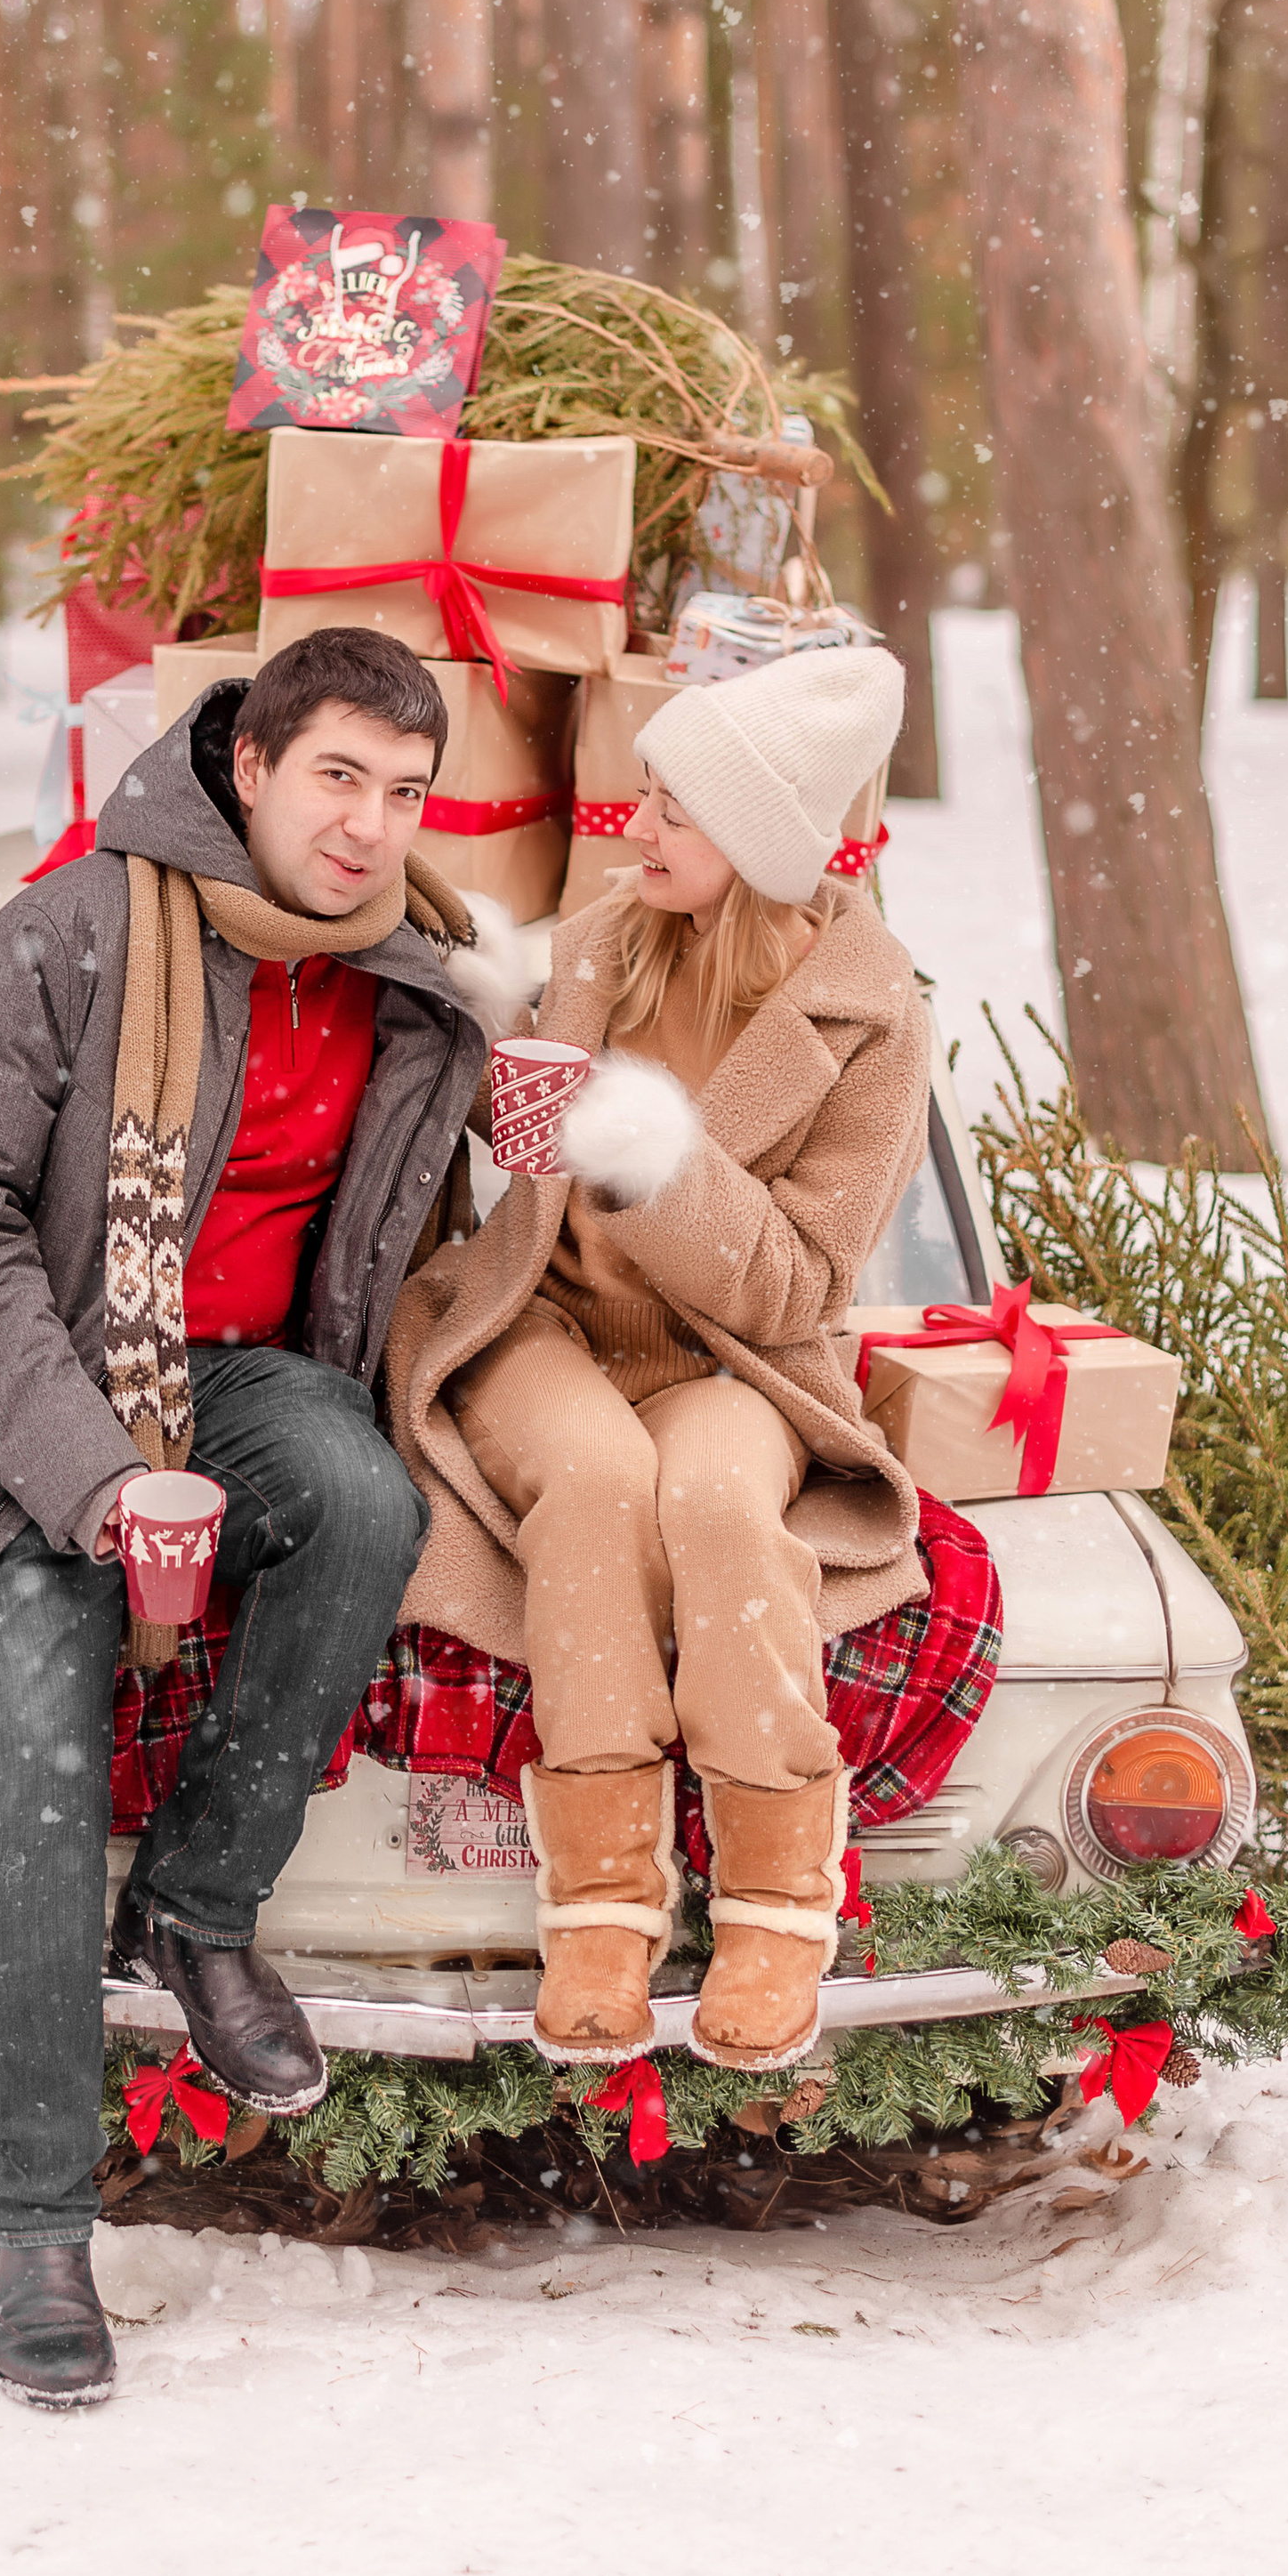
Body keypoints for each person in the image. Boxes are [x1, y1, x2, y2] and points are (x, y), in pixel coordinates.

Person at [0, 627, 491, 2410]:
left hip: (234, 1374)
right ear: (250, 768)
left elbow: (414, 1235)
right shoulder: (66, 932)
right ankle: (38, 2226)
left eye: (403, 789)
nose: (367, 824)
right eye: (337, 777)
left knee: (362, 1502)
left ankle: (200, 1912)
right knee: (39, 1723)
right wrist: (96, 1476)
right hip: (13, 1393)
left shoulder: (409, 977)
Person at [384, 643, 930, 2075]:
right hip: (547, 1320)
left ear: (757, 840)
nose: (638, 824)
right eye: (645, 793)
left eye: (677, 808)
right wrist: (499, 1033)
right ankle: (606, 1903)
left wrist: (662, 1162)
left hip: (733, 1355)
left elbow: (800, 1277)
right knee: (595, 1472)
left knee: (714, 1505)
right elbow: (522, 1170)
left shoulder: (874, 1019)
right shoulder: (605, 937)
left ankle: (773, 1904)